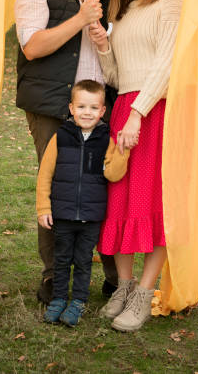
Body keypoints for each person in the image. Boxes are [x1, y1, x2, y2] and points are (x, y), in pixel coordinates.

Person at [14, 0, 118, 304]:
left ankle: (113, 277)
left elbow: (112, 46)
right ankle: (54, 278)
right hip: (53, 107)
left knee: (102, 185)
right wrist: (79, 19)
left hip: (97, 106)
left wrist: (100, 32)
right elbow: (33, 47)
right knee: (57, 186)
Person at [89, 0, 183, 332]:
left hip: (154, 110)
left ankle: (145, 294)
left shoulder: (170, 2)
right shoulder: (122, 13)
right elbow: (115, 77)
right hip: (124, 107)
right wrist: (103, 46)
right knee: (120, 200)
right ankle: (124, 287)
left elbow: (165, 65)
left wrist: (138, 116)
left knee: (153, 202)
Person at [36, 80, 129, 327]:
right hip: (63, 213)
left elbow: (113, 175)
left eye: (93, 107)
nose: (87, 112)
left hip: (91, 214)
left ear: (102, 111)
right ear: (71, 108)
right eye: (81, 106)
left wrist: (123, 151)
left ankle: (78, 301)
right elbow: (45, 174)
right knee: (62, 258)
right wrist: (44, 208)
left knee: (84, 261)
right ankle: (58, 299)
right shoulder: (60, 137)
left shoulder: (105, 140)